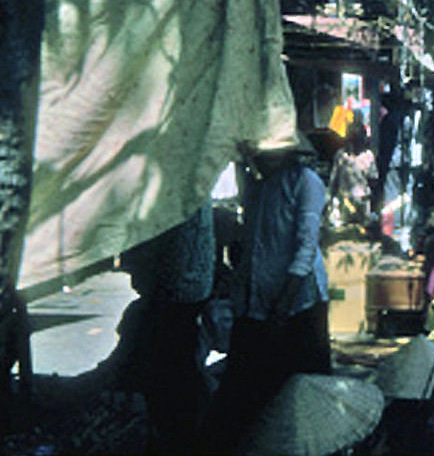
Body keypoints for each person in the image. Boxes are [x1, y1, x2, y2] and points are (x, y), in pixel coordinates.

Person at [199, 134, 331, 454]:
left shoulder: (306, 181)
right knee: (253, 390)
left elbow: (304, 247)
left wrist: (283, 306)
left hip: (297, 303)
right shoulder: (260, 186)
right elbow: (254, 245)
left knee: (303, 395)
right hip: (259, 302)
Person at [119, 204, 215, 455]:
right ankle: (176, 435)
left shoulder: (177, 193)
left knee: (171, 376)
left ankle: (174, 438)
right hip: (186, 289)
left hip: (177, 290)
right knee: (178, 372)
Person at [328, 115, 377, 226]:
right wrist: (331, 203)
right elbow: (334, 182)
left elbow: (373, 180)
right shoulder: (341, 156)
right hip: (345, 207)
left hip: (362, 206)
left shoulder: (368, 156)